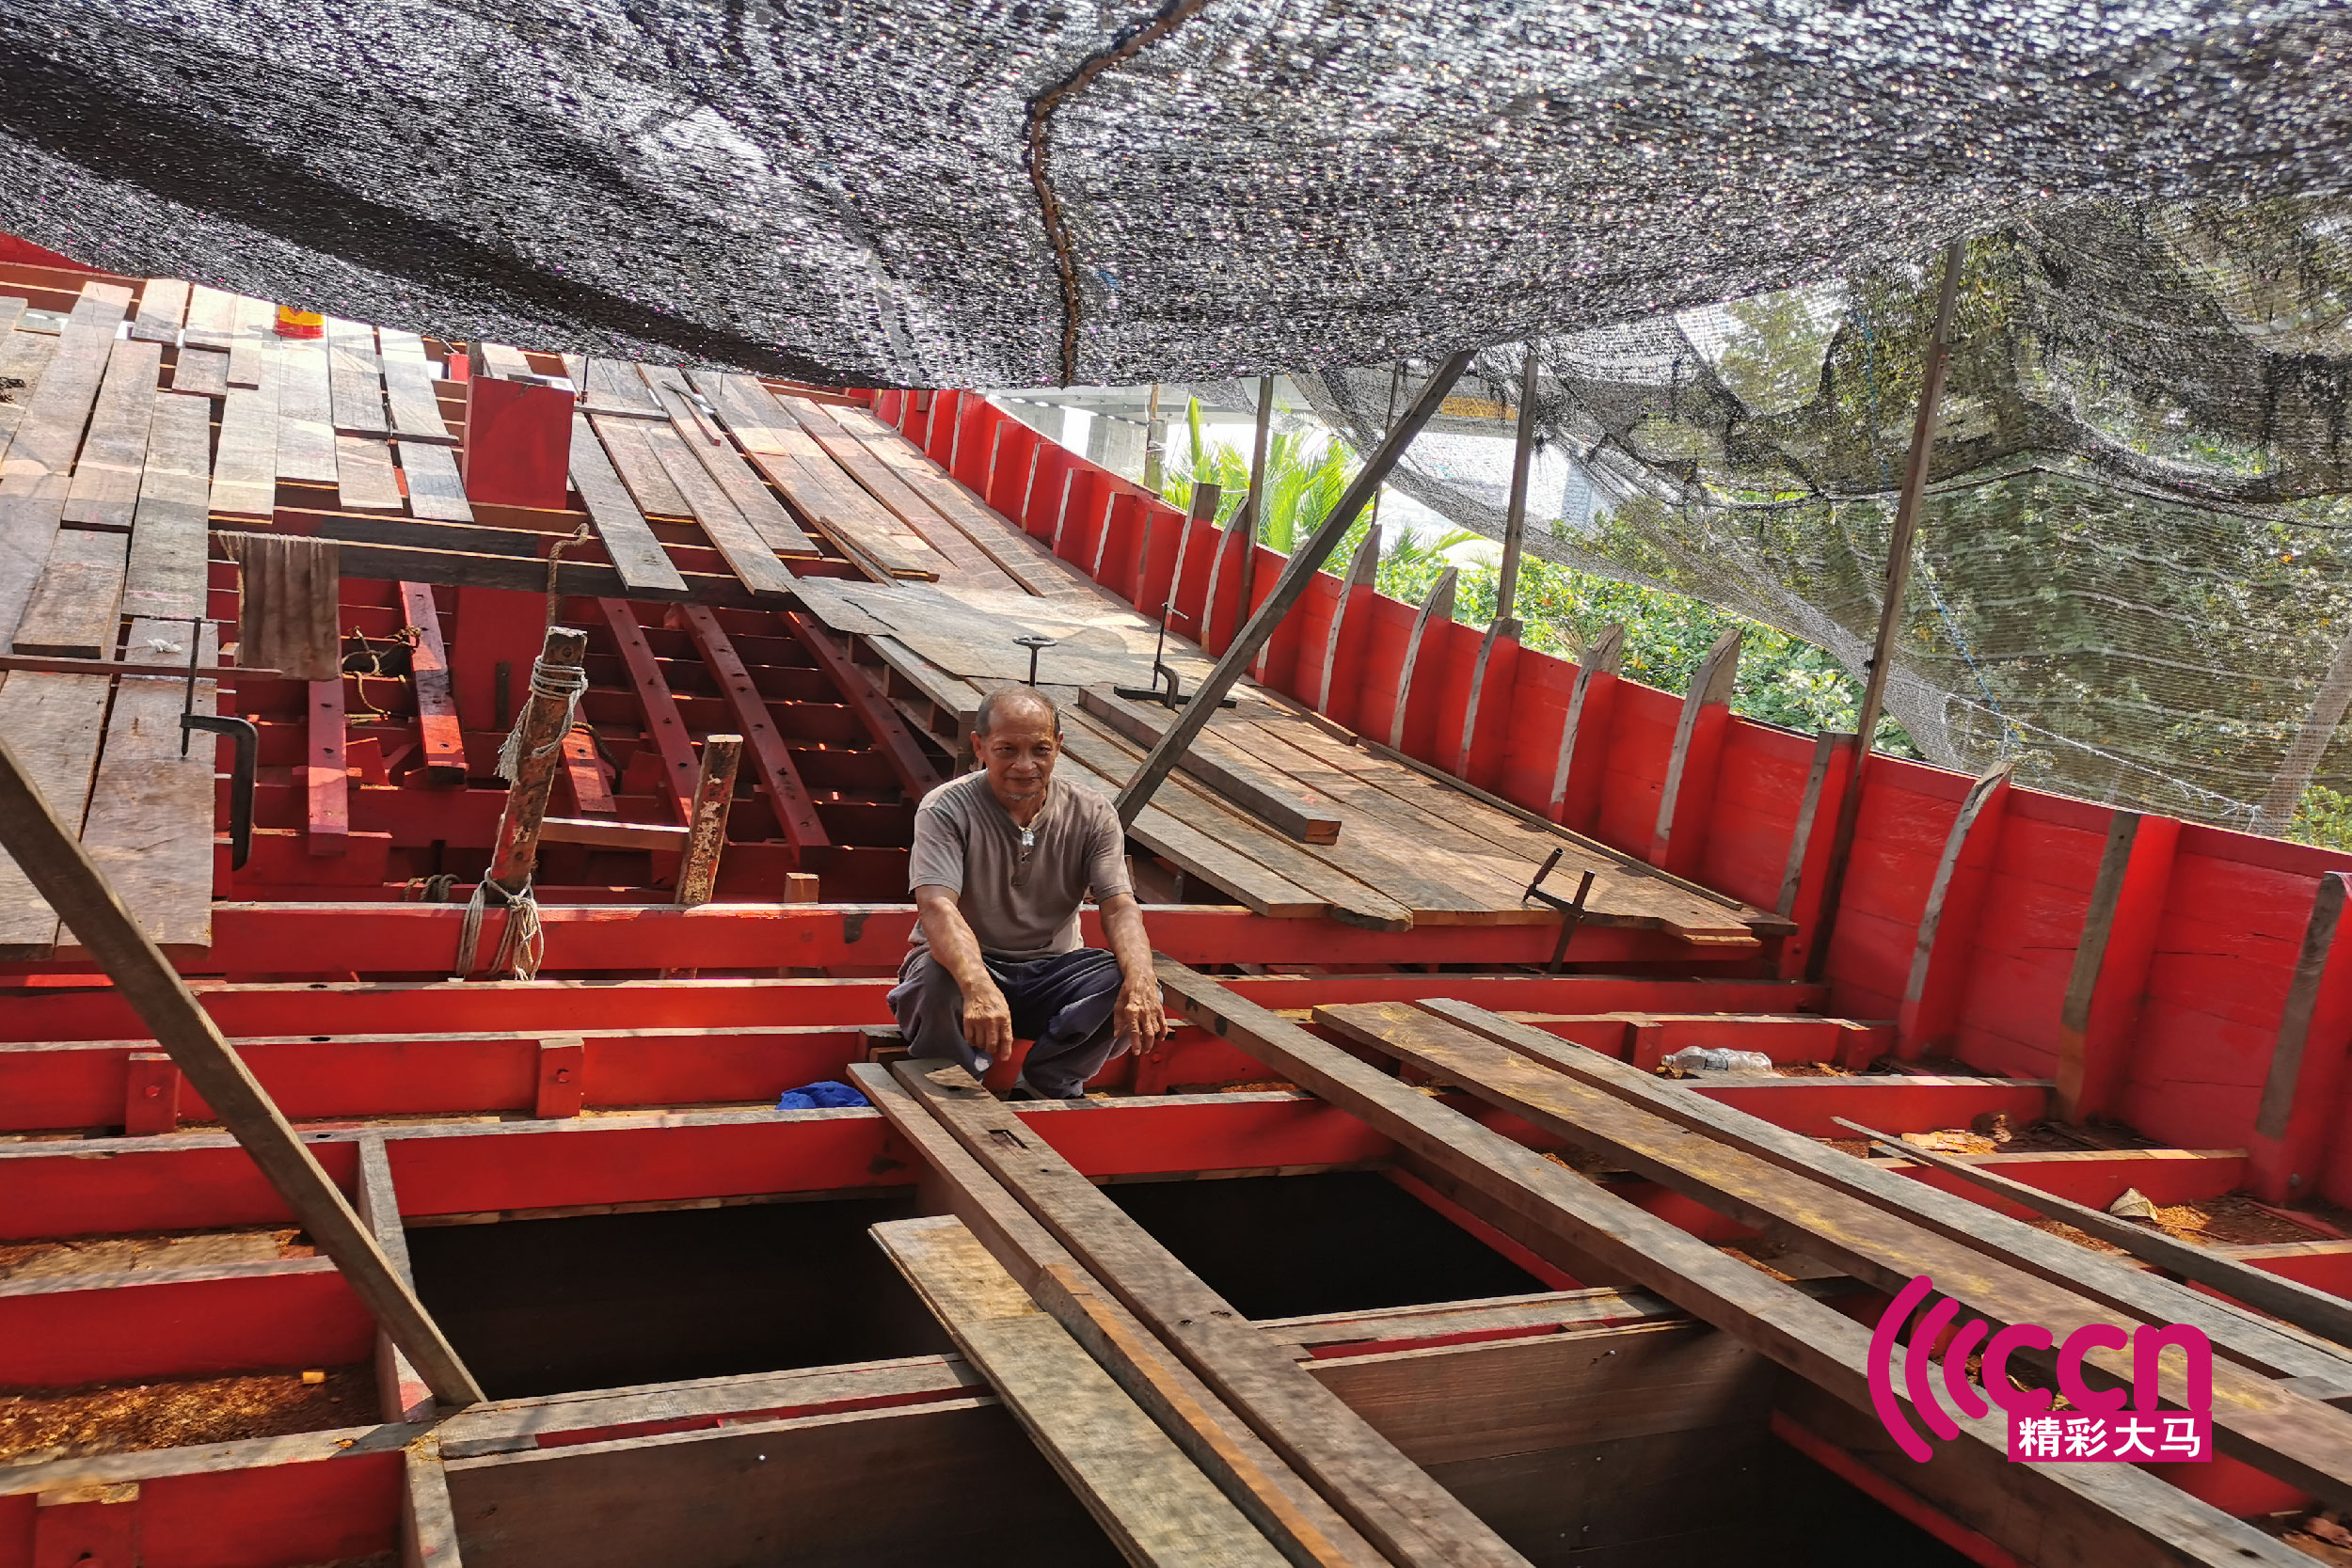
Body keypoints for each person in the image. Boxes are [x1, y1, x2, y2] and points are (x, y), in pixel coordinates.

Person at [889, 684, 1168, 1099]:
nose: (1025, 765)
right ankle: (954, 1082)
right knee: (933, 979)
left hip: (1052, 973)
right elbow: (937, 907)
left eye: (1040, 750)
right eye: (1006, 750)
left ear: (1058, 747)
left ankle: (1047, 1082)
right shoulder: (945, 808)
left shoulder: (1092, 813)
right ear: (979, 747)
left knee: (1125, 981)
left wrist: (1143, 981)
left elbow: (1119, 906)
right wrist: (979, 987)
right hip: (969, 969)